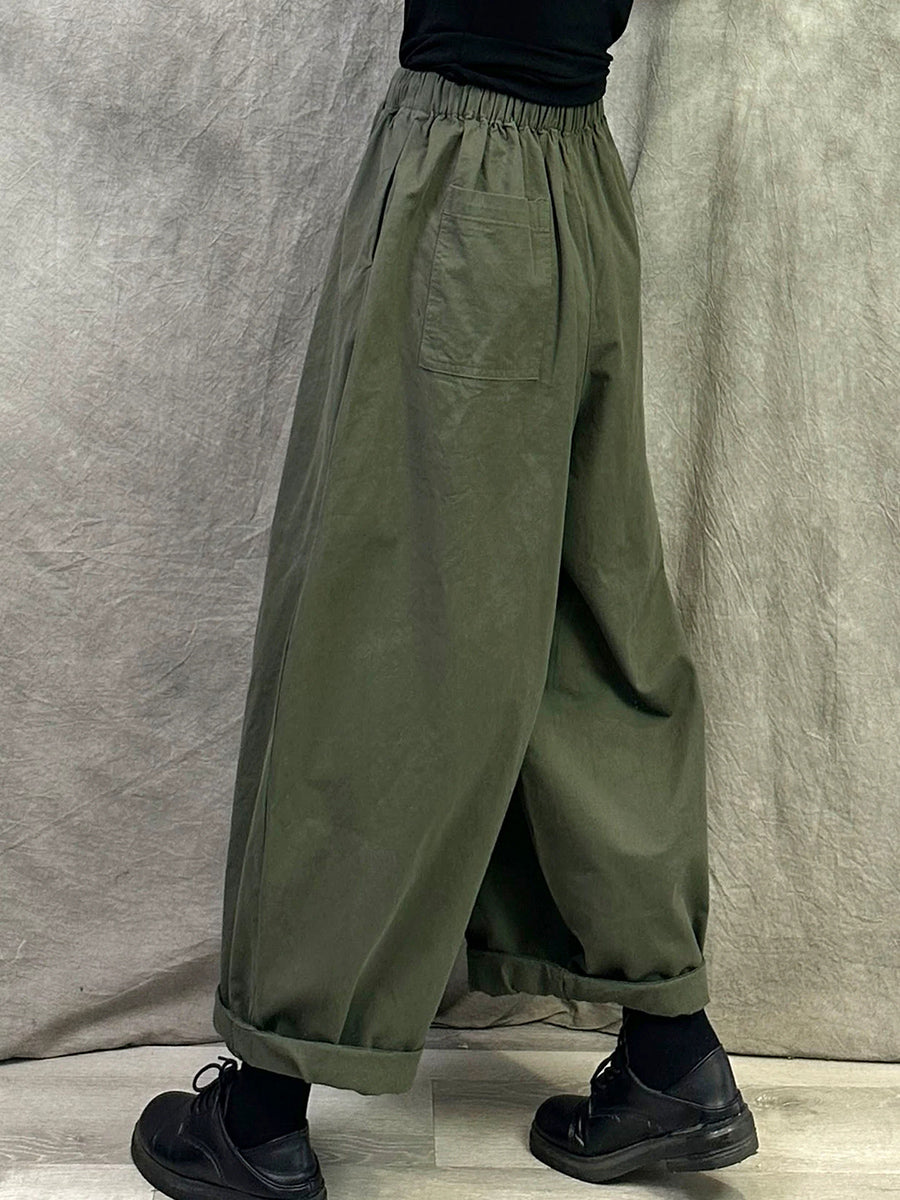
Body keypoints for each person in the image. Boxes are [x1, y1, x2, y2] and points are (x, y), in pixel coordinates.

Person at [129, 3, 760, 1196]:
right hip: (578, 177)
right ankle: (674, 1060)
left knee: (387, 635)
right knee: (583, 629)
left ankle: (262, 1115)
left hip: (463, 183)